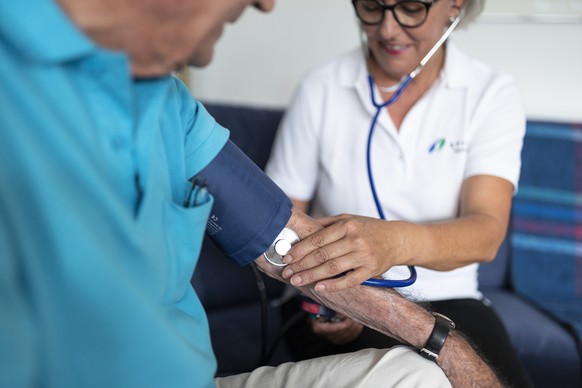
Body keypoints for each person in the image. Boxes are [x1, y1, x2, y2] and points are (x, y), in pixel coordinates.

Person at [0, 0, 503, 387]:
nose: (266, 4)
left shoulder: (171, 104)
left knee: (419, 378)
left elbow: (286, 240)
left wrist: (445, 344)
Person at [266, 0, 533, 387]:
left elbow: (487, 231)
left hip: (452, 298)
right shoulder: (321, 87)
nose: (388, 29)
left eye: (410, 7)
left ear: (455, 5)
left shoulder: (489, 93)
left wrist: (392, 242)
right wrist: (327, 294)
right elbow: (278, 220)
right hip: (340, 294)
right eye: (373, 7)